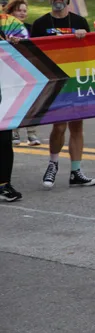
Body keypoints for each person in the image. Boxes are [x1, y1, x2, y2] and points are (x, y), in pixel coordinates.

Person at [30, 0, 95, 189]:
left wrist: (83, 37)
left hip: (76, 80)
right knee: (59, 126)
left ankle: (76, 172)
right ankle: (53, 164)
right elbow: (33, 55)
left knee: (77, 125)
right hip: (54, 82)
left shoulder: (79, 21)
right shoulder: (40, 24)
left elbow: (89, 52)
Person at [0, 11, 29, 203]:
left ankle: (4, 184)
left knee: (4, 140)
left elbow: (25, 42)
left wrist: (16, 44)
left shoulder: (5, 25)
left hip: (3, 92)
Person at [4, 0, 40, 147]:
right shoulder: (3, 28)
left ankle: (31, 133)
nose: (22, 13)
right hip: (9, 71)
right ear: (11, 12)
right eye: (19, 10)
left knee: (30, 100)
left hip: (28, 69)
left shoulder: (30, 28)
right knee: (13, 101)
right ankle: (14, 132)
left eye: (24, 11)